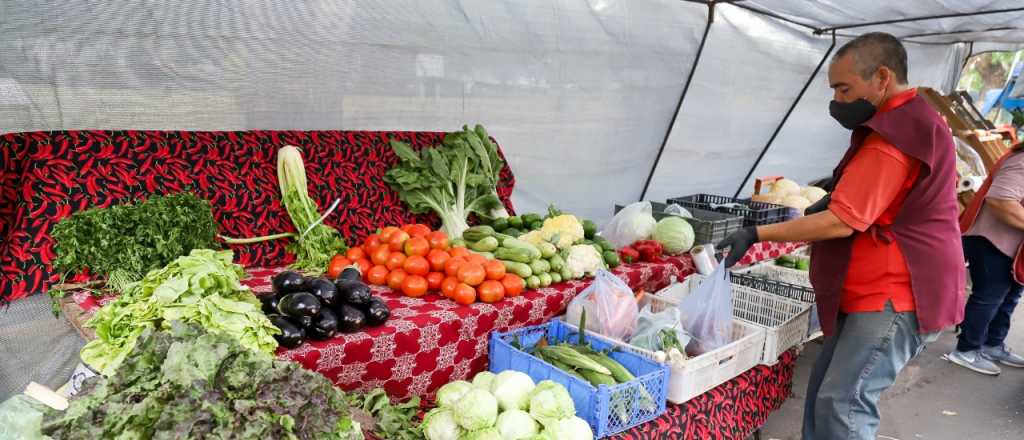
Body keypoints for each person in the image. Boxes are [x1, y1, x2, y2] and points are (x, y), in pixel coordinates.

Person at [718, 33, 965, 440]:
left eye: (844, 88)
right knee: (825, 394)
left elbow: (842, 222)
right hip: (876, 290)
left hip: (895, 294)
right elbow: (889, 198)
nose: (837, 100)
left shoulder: (894, 136)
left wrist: (757, 232)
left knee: (844, 404)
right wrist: (837, 194)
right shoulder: (912, 119)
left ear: (882, 77)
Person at [947, 143, 1024, 375]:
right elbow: (1002, 200)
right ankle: (966, 351)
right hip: (992, 240)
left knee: (1009, 296)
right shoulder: (1021, 161)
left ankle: (991, 344)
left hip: (1010, 246)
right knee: (990, 297)